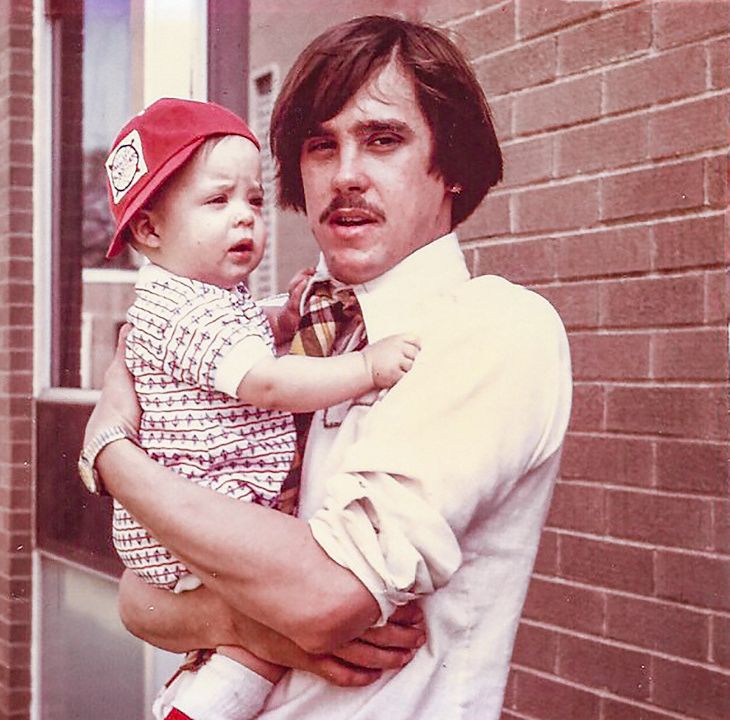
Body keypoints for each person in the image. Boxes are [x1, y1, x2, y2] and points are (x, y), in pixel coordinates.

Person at [82, 15, 572, 720]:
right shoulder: (288, 331)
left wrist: (111, 455)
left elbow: (324, 601)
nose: (345, 175)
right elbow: (136, 593)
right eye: (320, 146)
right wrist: (240, 624)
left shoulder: (491, 330)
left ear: (454, 165)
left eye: (382, 140)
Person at [97, 97, 420, 720]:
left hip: (177, 519)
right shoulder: (186, 309)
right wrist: (366, 367)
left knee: (253, 635)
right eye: (217, 202)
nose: (244, 219)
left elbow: (239, 334)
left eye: (253, 200)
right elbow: (266, 383)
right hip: (207, 508)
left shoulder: (198, 295)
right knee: (264, 642)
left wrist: (278, 315)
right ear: (150, 231)